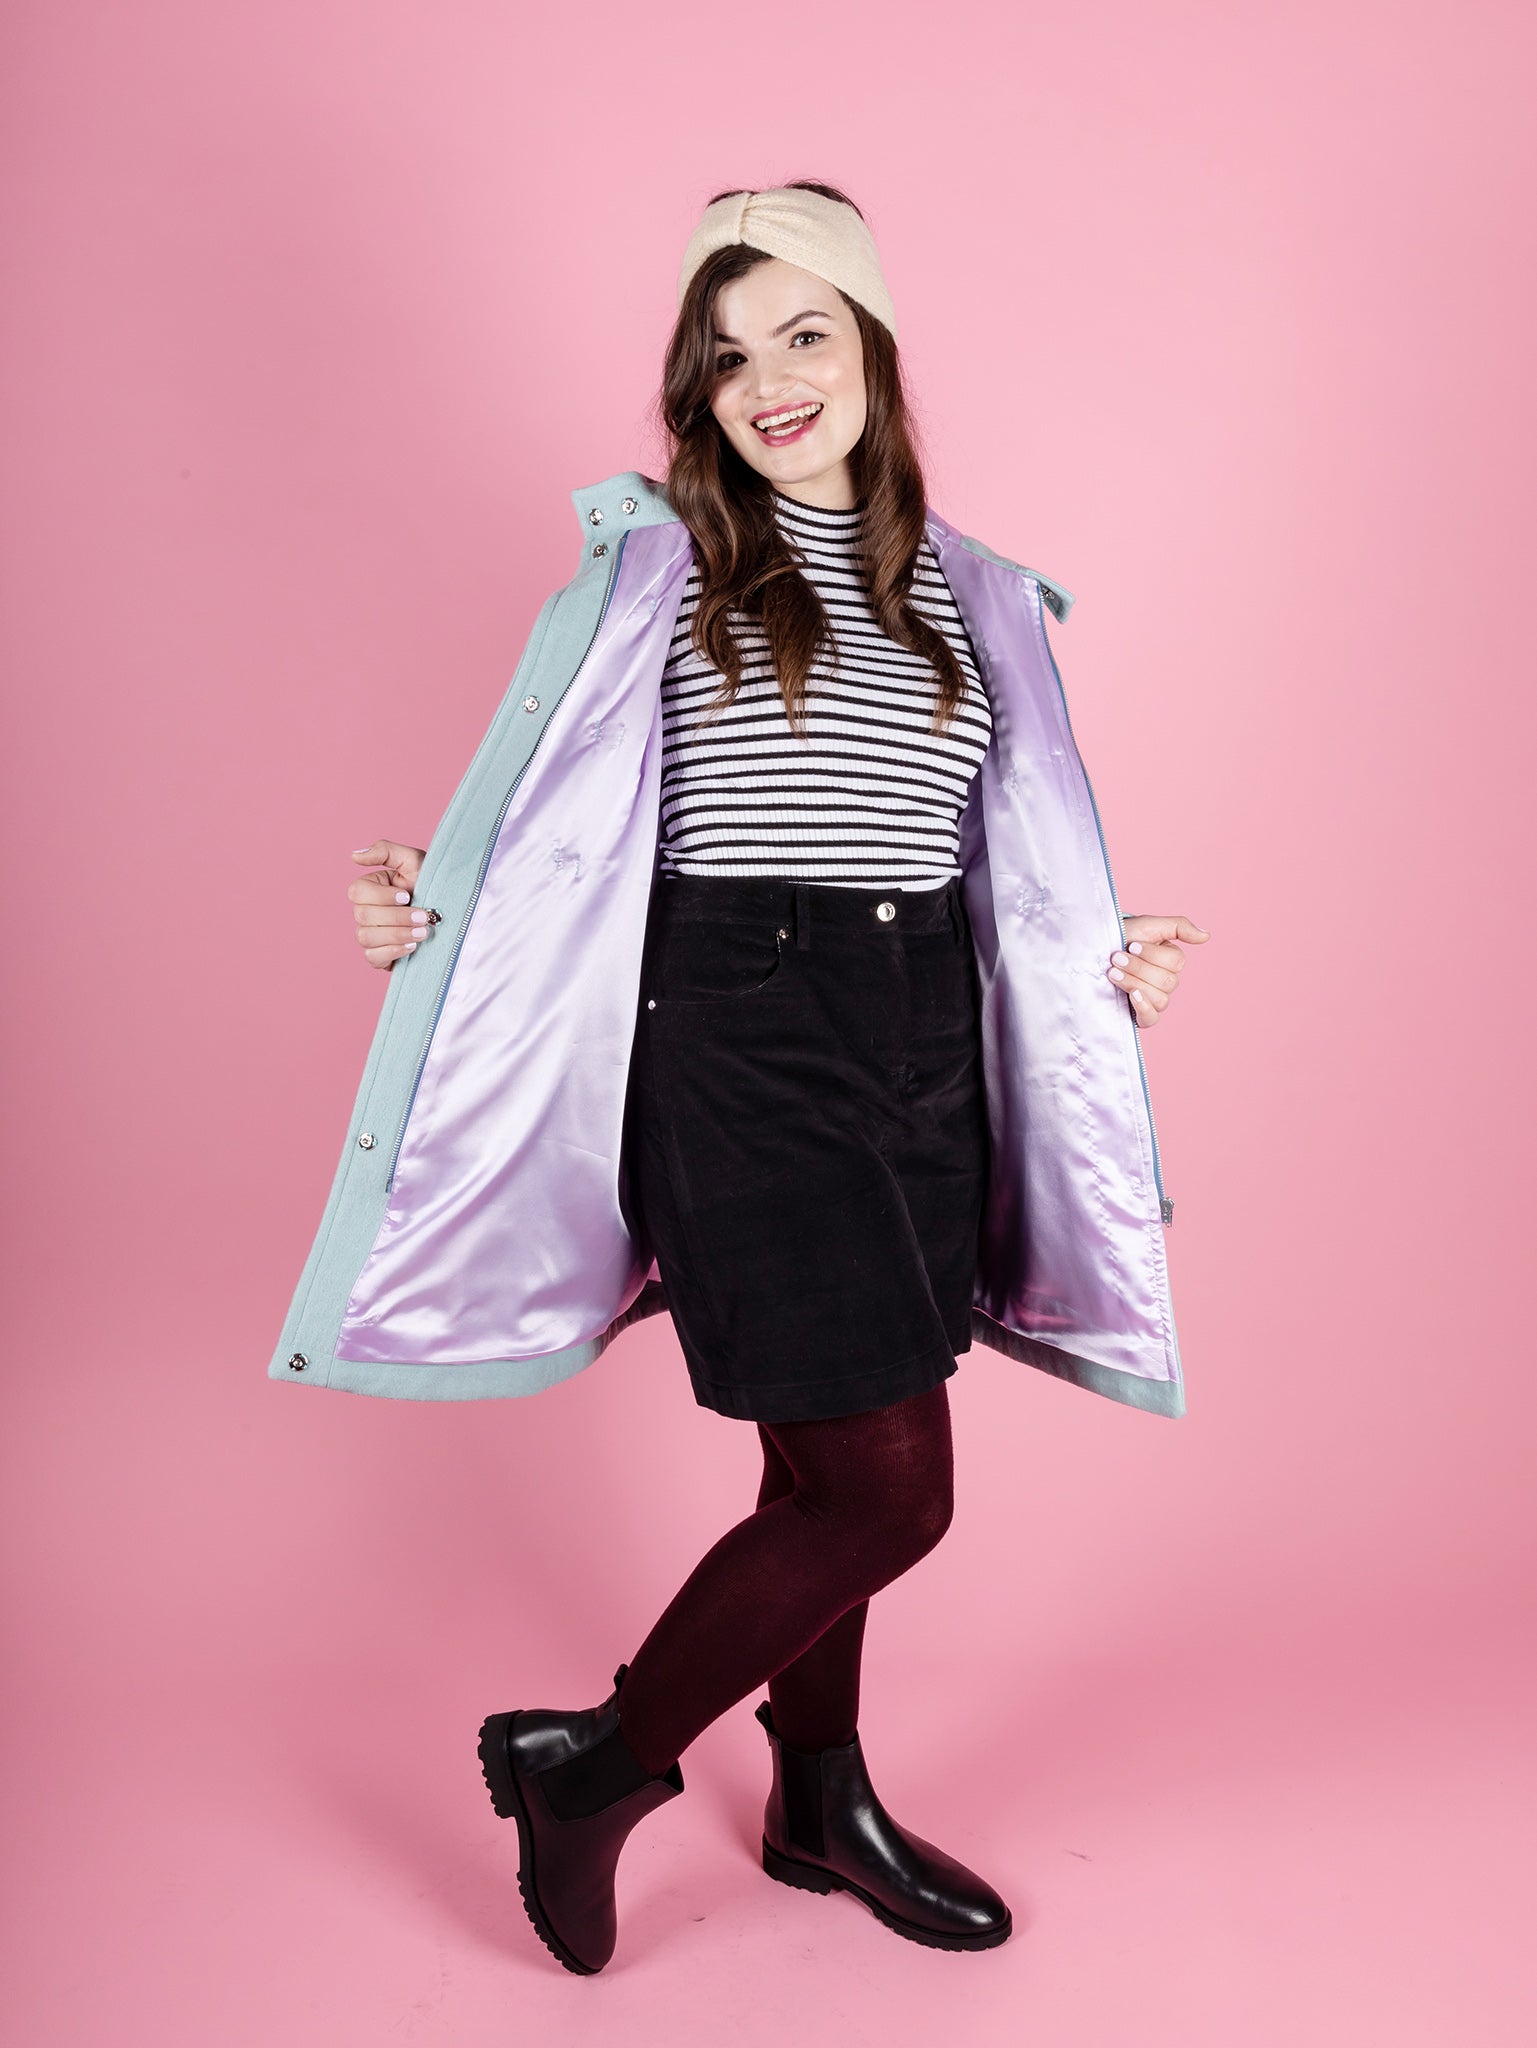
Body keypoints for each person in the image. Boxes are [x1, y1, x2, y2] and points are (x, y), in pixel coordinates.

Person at [319, 182, 1209, 1975]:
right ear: (698, 394)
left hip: (921, 1038)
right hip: (738, 1033)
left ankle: (817, 1801)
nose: (768, 382)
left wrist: (1097, 960)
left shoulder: (976, 593)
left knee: (819, 1468)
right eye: (727, 358)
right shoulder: (661, 567)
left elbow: (989, 845)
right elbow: (553, 814)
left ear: (871, 347)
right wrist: (427, 901)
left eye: (802, 334)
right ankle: (598, 1766)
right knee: (887, 1492)